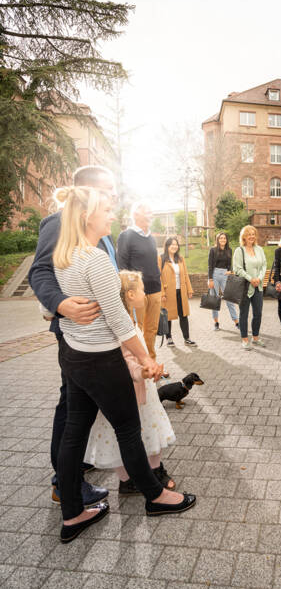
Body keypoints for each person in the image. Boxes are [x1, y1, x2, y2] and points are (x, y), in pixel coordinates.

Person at [52, 185, 195, 543]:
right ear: (88, 216)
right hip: (101, 360)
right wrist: (146, 358)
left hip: (74, 356)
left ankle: (72, 514)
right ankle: (156, 496)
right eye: (106, 210)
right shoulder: (95, 258)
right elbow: (118, 320)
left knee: (73, 434)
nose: (112, 215)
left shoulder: (64, 255)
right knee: (129, 429)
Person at [28, 164, 115, 507]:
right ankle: (65, 483)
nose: (114, 197)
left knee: (81, 407)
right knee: (73, 407)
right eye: (108, 190)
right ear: (89, 190)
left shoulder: (100, 226)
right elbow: (41, 270)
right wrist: (62, 303)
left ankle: (71, 471)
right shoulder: (60, 220)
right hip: (76, 334)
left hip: (100, 334)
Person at [84, 270, 177, 492]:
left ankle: (130, 479)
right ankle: (147, 474)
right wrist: (142, 372)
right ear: (131, 294)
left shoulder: (126, 319)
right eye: (143, 290)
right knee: (147, 430)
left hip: (137, 389)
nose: (145, 294)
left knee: (128, 434)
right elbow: (125, 360)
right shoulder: (119, 324)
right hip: (134, 392)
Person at [117, 202, 161, 359]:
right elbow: (122, 268)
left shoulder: (150, 237)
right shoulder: (126, 236)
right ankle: (139, 365)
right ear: (135, 215)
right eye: (145, 210)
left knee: (152, 329)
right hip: (137, 293)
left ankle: (152, 363)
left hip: (155, 289)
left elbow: (154, 262)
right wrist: (128, 293)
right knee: (137, 329)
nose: (150, 212)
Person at [233, 225, 267, 350]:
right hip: (245, 287)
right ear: (244, 237)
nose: (251, 236)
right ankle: (244, 339)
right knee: (244, 314)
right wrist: (250, 278)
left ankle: (256, 338)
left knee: (258, 313)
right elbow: (237, 269)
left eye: (253, 234)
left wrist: (259, 278)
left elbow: (264, 265)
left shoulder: (259, 249)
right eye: (249, 234)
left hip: (258, 287)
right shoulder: (239, 251)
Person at [159, 236, 196, 347]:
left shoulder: (180, 259)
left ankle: (187, 338)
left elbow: (185, 275)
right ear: (167, 246)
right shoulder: (161, 259)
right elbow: (158, 277)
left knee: (183, 315)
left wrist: (189, 289)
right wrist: (162, 293)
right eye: (172, 244)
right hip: (168, 292)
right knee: (168, 316)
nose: (174, 246)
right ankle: (169, 338)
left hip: (181, 290)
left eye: (176, 244)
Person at [208, 232, 239, 331]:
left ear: (226, 240)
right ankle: (216, 322)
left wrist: (230, 271)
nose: (223, 240)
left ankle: (236, 322)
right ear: (218, 239)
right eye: (221, 238)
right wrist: (210, 279)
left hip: (225, 274)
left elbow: (230, 263)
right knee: (214, 299)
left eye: (224, 238)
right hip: (215, 274)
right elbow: (210, 265)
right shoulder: (213, 250)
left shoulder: (229, 250)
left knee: (229, 298)